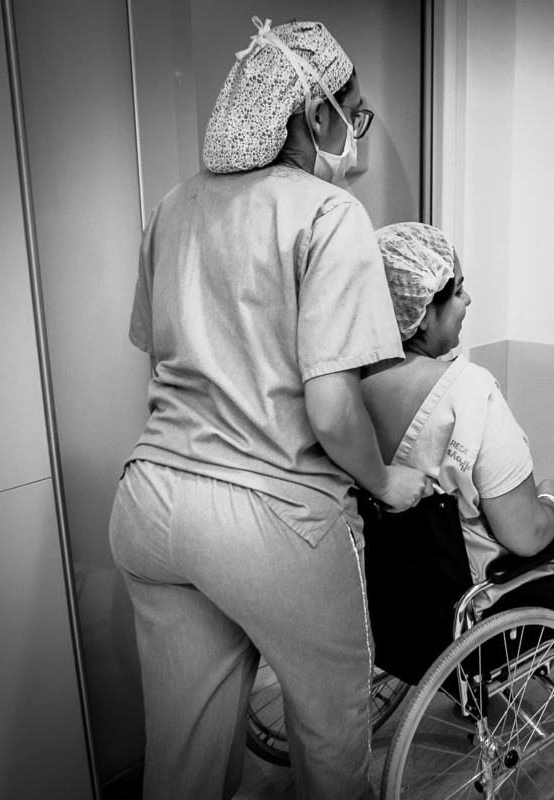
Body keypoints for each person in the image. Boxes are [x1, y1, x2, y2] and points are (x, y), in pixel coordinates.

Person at [108, 18, 431, 800]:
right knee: (333, 741)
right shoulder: (327, 214)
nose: (354, 135)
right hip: (272, 520)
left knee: (181, 761)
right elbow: (332, 406)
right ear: (315, 115)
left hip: (151, 505)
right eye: (352, 115)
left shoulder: (172, 207)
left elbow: (161, 353)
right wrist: (386, 482)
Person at [360, 222, 554, 624]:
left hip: (402, 594)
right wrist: (550, 499)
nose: (468, 299)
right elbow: (526, 536)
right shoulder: (470, 390)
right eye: (459, 289)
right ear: (424, 312)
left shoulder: (347, 392)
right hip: (479, 590)